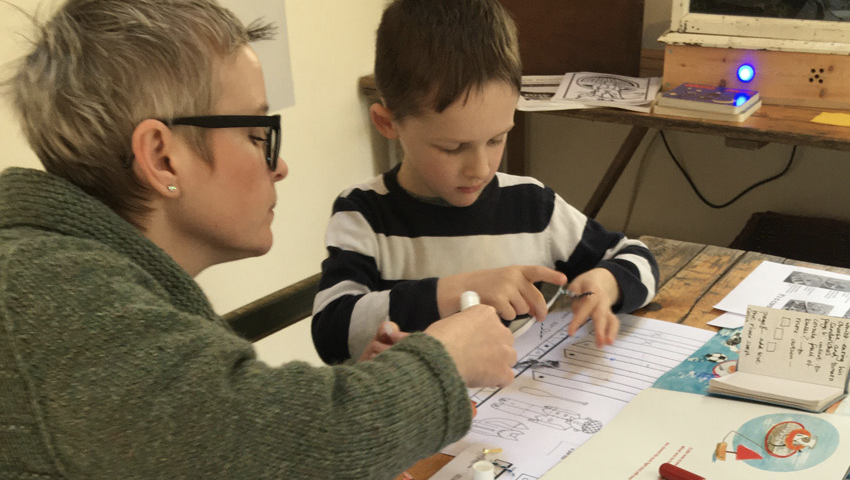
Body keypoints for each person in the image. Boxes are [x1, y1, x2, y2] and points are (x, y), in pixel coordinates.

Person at [0, 0, 517, 478]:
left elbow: (221, 426)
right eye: (257, 136)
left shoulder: (67, 278)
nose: (281, 166)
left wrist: (368, 390)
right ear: (162, 156)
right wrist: (441, 365)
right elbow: (271, 446)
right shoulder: (42, 294)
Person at [311, 0, 660, 365]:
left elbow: (637, 256)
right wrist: (458, 290)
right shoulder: (364, 213)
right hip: (412, 413)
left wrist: (606, 283)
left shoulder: (531, 206)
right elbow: (331, 332)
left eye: (496, 139)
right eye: (452, 147)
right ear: (388, 124)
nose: (479, 168)